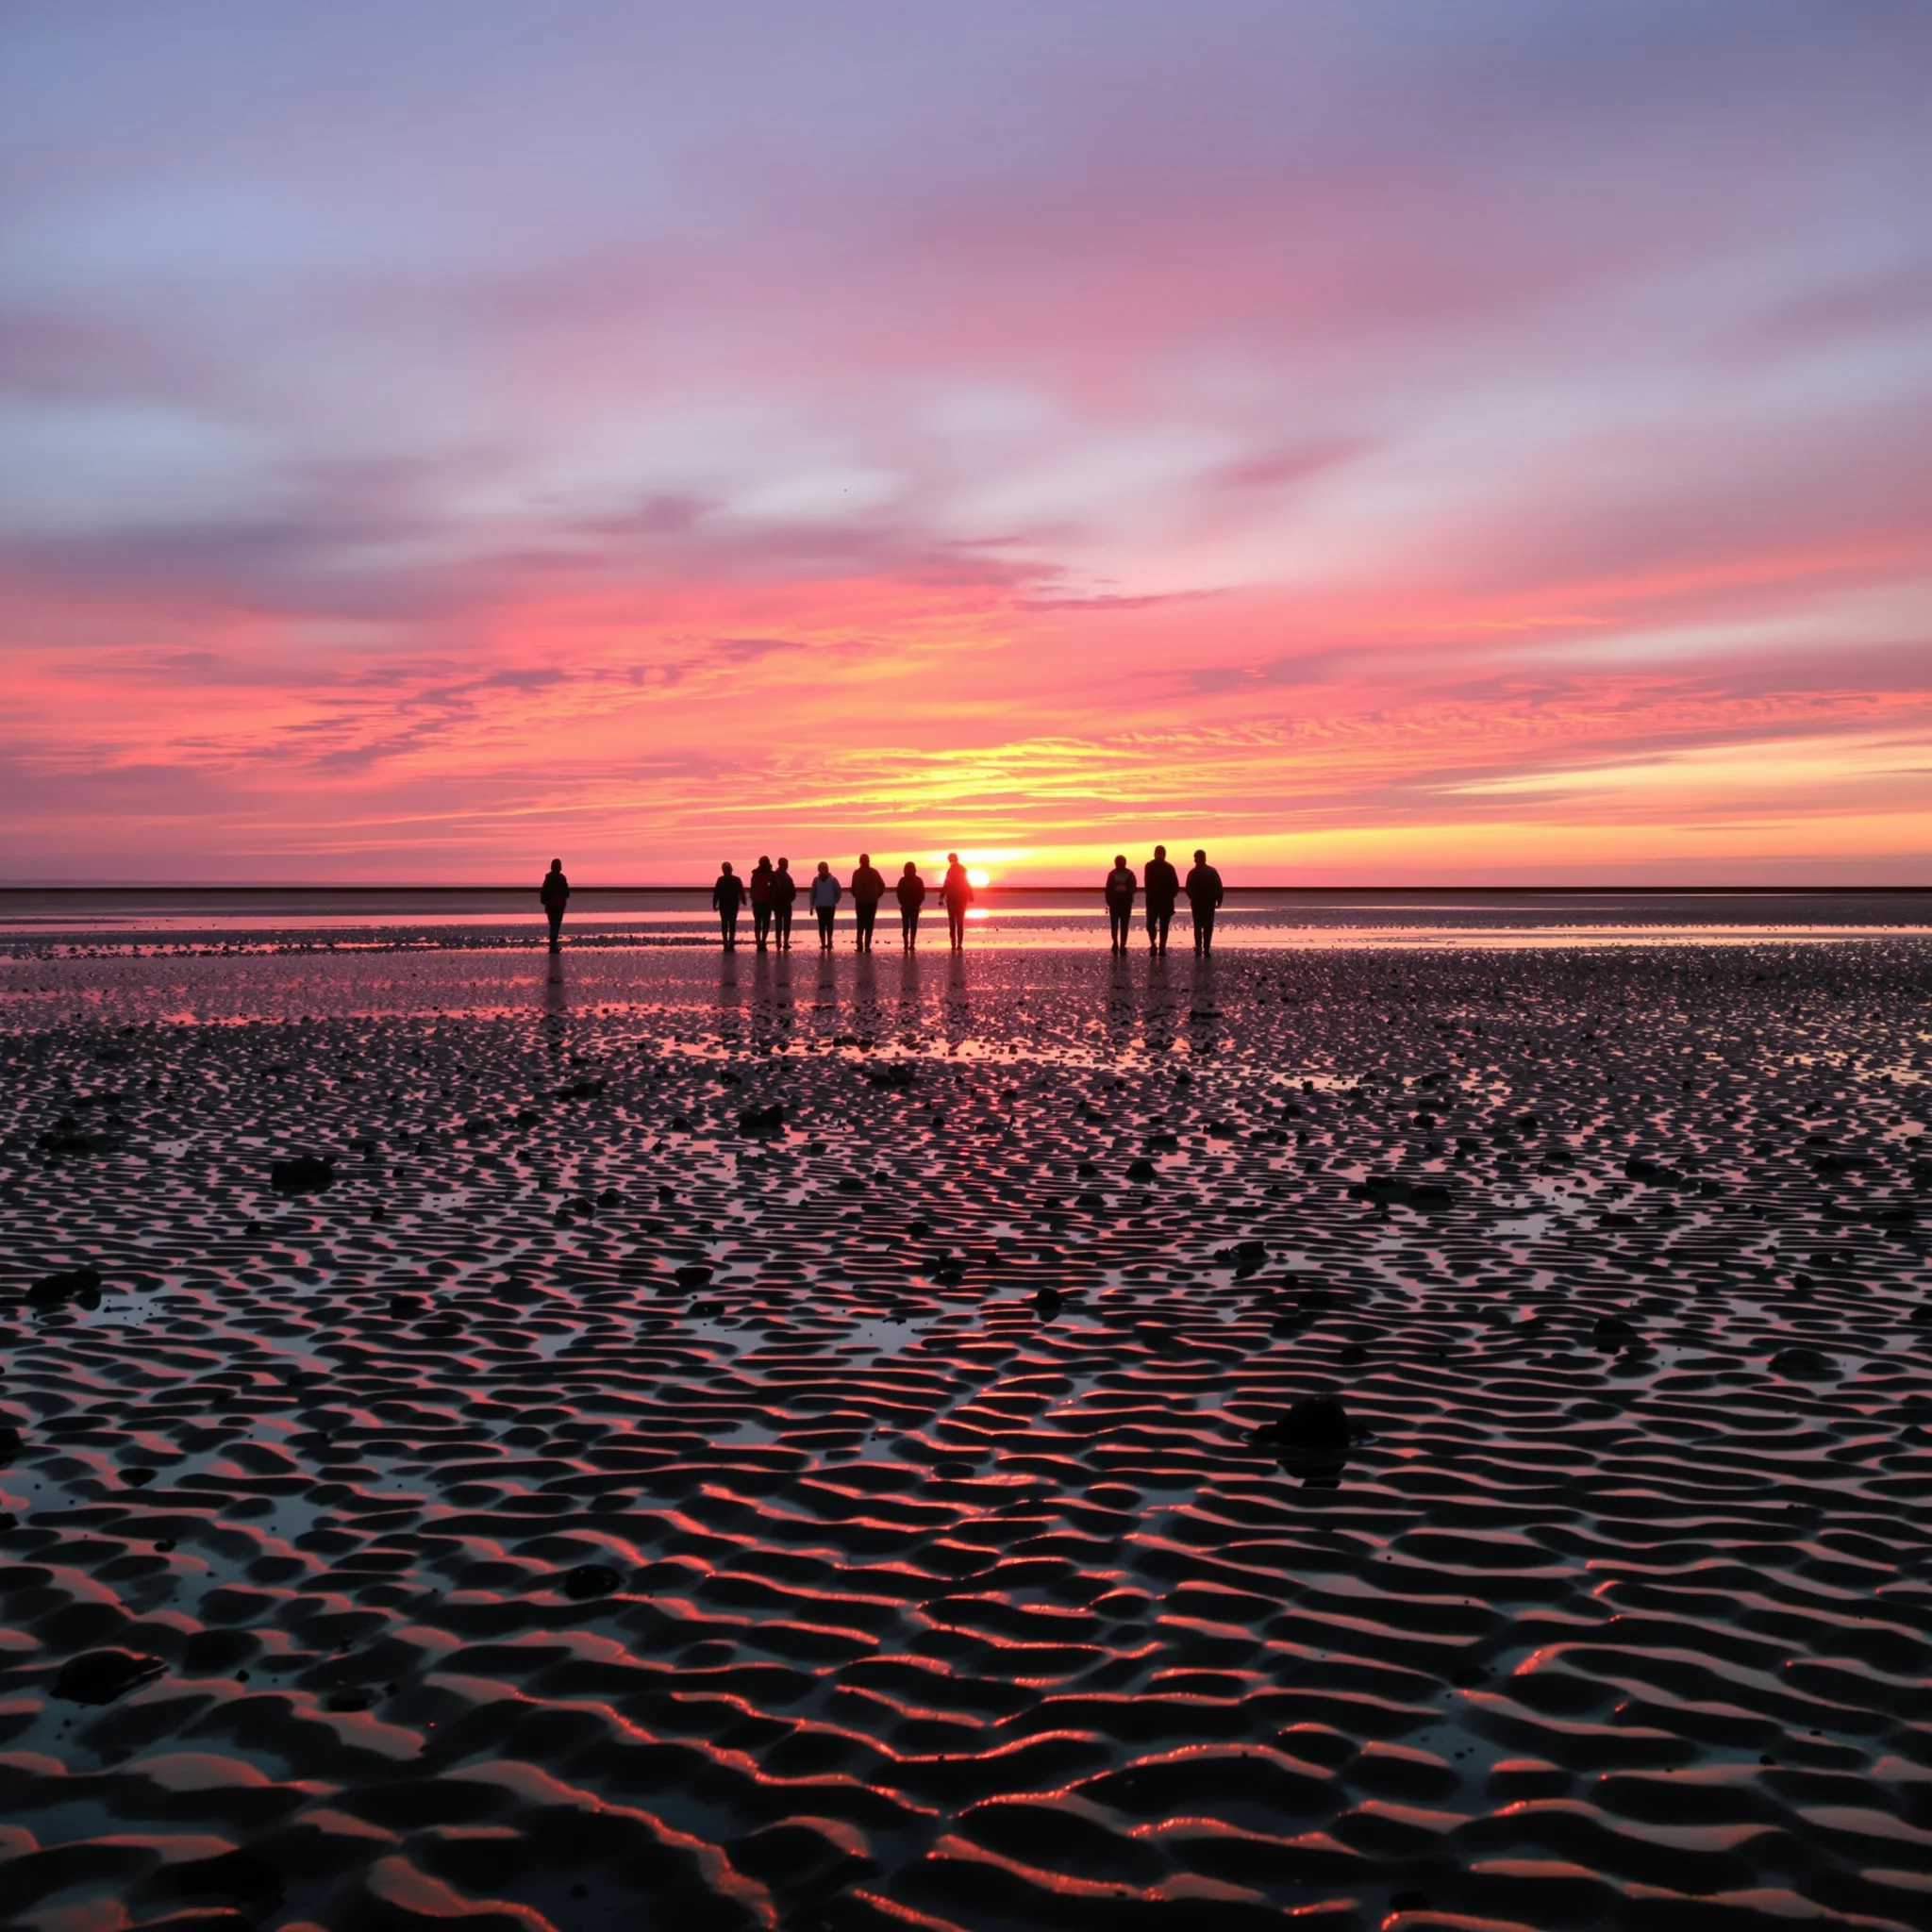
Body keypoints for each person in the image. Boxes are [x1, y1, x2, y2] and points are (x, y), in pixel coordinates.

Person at [1185, 848, 1224, 956]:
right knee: (1208, 926)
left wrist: (1192, 897)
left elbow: (1187, 888)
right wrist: (1219, 900)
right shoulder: (1212, 872)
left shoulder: (1192, 873)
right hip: (1209, 903)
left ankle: (1198, 946)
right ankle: (1206, 948)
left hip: (1197, 903)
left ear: (1195, 860)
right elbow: (1219, 887)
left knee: (1198, 926)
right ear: (1204, 858)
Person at [1143, 844, 1179, 955]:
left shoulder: (1169, 867)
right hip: (1154, 900)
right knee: (1151, 924)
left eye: (1161, 853)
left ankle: (1162, 946)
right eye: (1158, 853)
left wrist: (1171, 895)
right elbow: (1147, 883)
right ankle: (1154, 943)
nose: (1159, 855)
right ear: (1155, 854)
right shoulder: (1149, 866)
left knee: (1163, 925)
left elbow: (1175, 885)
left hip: (1164, 901)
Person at [850, 852, 887, 952]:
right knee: (868, 923)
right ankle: (865, 944)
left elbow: (852, 889)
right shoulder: (870, 872)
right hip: (868, 901)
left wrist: (876, 895)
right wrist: (877, 895)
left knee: (861, 923)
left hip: (864, 901)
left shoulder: (858, 873)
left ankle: (862, 944)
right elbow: (882, 886)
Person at [941, 852, 973, 951]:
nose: (949, 861)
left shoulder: (951, 871)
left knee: (953, 922)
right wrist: (970, 894)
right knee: (960, 922)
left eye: (949, 859)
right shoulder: (962, 869)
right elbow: (966, 882)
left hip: (953, 899)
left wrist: (941, 896)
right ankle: (958, 944)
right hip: (960, 899)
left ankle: (954, 944)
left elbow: (946, 884)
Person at [1104, 853, 1136, 953]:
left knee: (1120, 925)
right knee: (1119, 925)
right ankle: (1118, 943)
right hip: (1117, 903)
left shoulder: (1129, 874)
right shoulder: (1113, 874)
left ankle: (1120, 944)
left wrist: (1126, 890)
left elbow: (1133, 888)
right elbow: (1108, 889)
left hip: (1123, 903)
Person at [712, 861, 746, 949]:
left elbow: (717, 894)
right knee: (731, 923)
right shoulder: (736, 879)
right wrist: (743, 900)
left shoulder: (721, 880)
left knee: (725, 923)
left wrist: (714, 904)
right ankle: (730, 941)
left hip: (726, 905)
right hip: (732, 904)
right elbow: (741, 891)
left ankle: (727, 941)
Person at [540, 858, 570, 953]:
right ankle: (553, 947)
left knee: (554, 925)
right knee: (555, 926)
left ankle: (553, 946)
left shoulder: (550, 878)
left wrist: (544, 901)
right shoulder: (560, 878)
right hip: (557, 905)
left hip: (553, 905)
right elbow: (566, 892)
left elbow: (544, 892)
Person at [809, 860, 841, 950]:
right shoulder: (816, 880)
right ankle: (823, 943)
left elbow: (838, 892)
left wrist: (834, 901)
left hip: (829, 906)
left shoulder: (833, 880)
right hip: (820, 906)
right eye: (821, 868)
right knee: (822, 925)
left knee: (829, 925)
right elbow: (813, 893)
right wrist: (811, 906)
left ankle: (829, 941)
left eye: (824, 868)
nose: (822, 870)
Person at [896, 860, 926, 947]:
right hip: (913, 906)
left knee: (906, 926)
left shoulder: (903, 880)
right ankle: (911, 944)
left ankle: (907, 943)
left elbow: (898, 893)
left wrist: (902, 902)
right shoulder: (918, 880)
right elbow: (922, 894)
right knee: (913, 926)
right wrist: (918, 903)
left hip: (907, 906)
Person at [748, 856, 775, 950]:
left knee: (760, 924)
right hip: (761, 903)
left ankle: (761, 942)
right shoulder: (767, 874)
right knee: (762, 924)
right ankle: (761, 942)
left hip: (762, 903)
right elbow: (752, 889)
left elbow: (776, 887)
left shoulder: (760, 874)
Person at [772, 857, 798, 950]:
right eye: (786, 864)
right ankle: (780, 942)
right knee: (781, 924)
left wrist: (790, 898)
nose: (787, 866)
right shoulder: (777, 876)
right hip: (781, 903)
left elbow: (792, 890)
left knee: (784, 923)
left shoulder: (784, 876)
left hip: (784, 903)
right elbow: (772, 889)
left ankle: (783, 942)